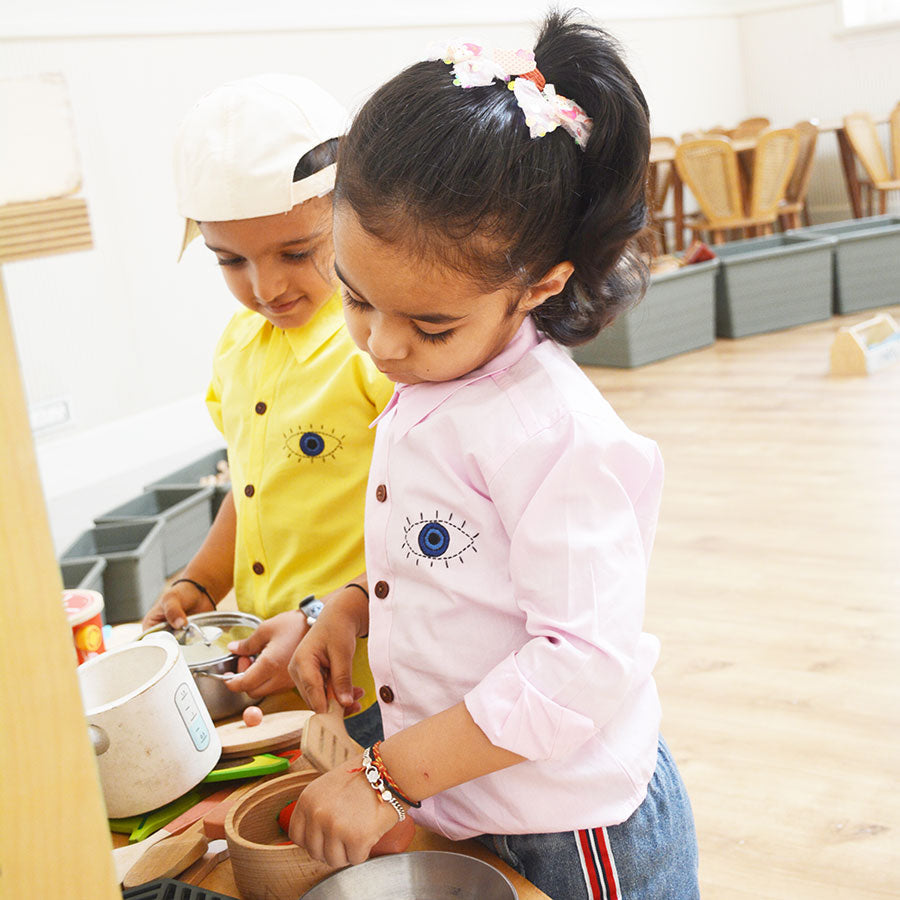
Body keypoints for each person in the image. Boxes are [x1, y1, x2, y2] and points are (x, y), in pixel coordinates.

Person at [287, 12, 700, 899]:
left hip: (572, 828)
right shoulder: (438, 377)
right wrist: (354, 606)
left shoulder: (554, 436)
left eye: (429, 324)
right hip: (466, 799)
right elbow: (462, 563)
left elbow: (582, 663)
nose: (383, 347)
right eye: (356, 299)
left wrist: (383, 776)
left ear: (541, 285)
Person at [141, 74, 393, 746]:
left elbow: (428, 519)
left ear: (351, 216)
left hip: (361, 670)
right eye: (230, 261)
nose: (266, 287)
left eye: (295, 253)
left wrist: (327, 616)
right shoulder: (239, 344)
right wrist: (201, 580)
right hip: (268, 659)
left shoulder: (377, 348)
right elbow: (249, 486)